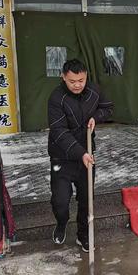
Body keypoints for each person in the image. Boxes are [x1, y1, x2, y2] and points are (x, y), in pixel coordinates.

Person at [48, 59, 113, 251]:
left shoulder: (93, 90)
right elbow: (59, 132)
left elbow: (108, 107)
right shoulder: (56, 98)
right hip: (62, 157)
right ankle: (61, 223)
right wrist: (80, 152)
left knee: (86, 200)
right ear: (63, 77)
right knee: (60, 201)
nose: (77, 85)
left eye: (81, 80)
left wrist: (96, 117)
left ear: (86, 77)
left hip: (87, 155)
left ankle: (83, 235)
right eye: (72, 81)